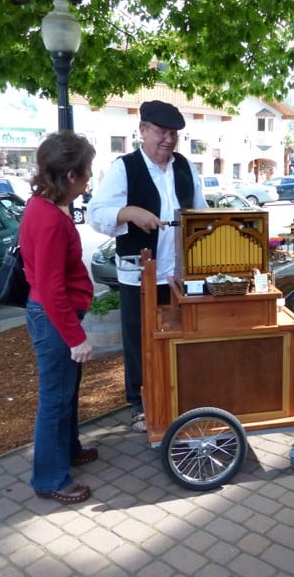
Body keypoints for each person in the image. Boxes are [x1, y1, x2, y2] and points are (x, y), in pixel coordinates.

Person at [88, 100, 207, 433]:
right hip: (140, 274)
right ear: (142, 131)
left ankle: (177, 394)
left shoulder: (184, 166)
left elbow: (200, 211)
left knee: (179, 336)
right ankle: (140, 404)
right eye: (161, 132)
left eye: (174, 134)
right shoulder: (124, 168)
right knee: (140, 340)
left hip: (179, 273)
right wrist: (129, 213)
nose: (168, 140)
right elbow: (96, 213)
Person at [20, 130, 97, 505]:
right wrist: (75, 337)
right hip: (53, 318)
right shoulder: (49, 217)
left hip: (53, 315)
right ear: (70, 176)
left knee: (66, 392)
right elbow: (51, 289)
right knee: (55, 398)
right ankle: (49, 477)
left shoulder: (43, 206)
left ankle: (67, 450)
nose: (88, 179)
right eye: (87, 172)